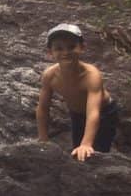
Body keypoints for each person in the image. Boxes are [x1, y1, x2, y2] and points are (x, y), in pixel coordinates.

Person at [36, 23, 119, 161]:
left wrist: (86, 144)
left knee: (96, 152)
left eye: (71, 47)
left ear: (82, 48)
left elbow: (93, 113)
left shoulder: (92, 75)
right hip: (77, 114)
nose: (65, 52)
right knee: (77, 152)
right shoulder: (49, 75)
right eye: (59, 48)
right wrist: (43, 139)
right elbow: (43, 108)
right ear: (50, 53)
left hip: (104, 113)